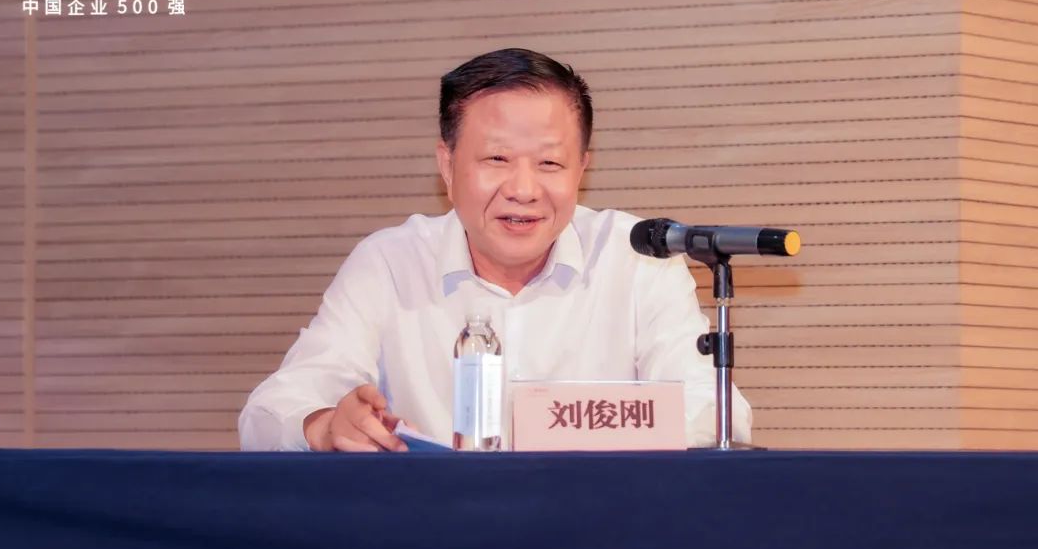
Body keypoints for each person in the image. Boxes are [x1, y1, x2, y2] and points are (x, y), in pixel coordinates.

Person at [238, 48, 752, 451]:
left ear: (582, 168)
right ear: (447, 166)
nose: (523, 189)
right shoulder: (390, 264)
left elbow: (718, 414)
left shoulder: (636, 256)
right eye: (497, 159)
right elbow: (269, 413)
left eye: (550, 164)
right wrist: (325, 424)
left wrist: (569, 427)